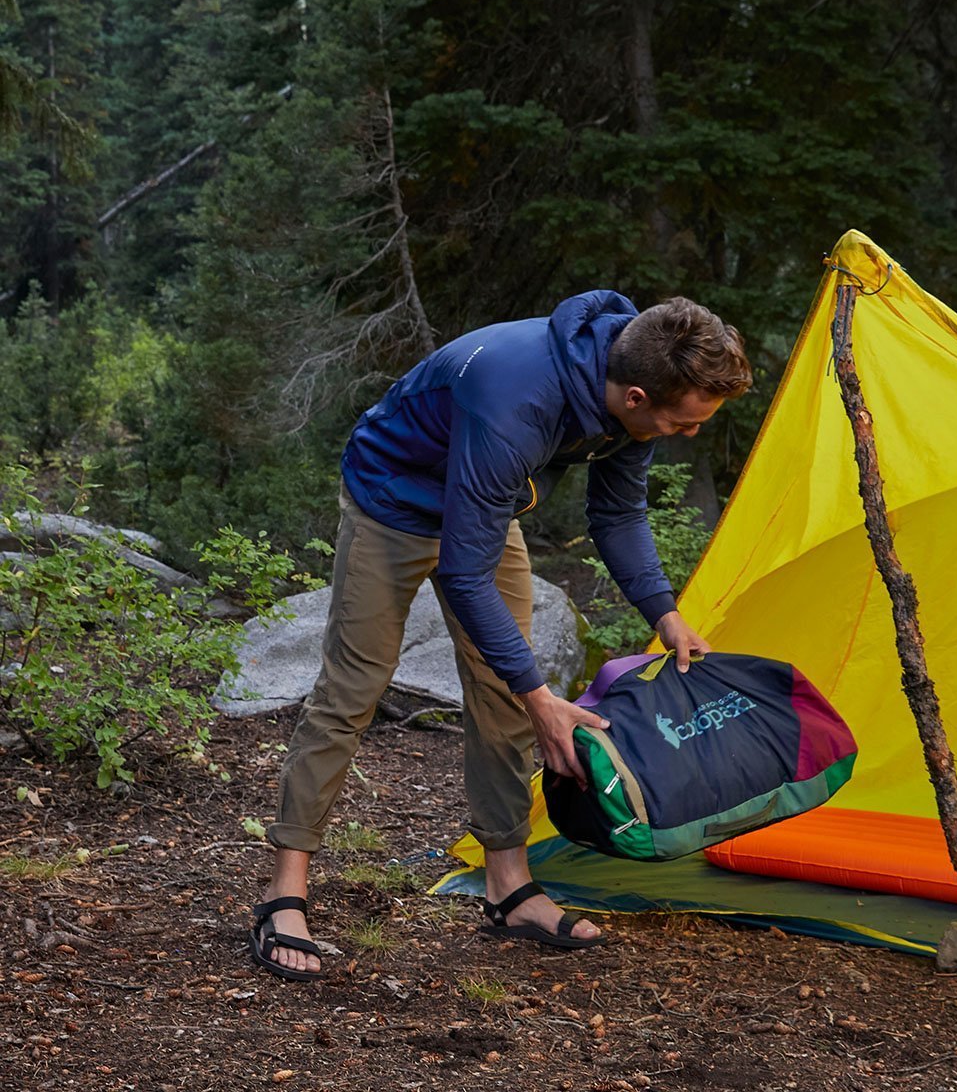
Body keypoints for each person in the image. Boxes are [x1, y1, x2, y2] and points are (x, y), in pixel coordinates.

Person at [248, 290, 752, 979]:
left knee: (504, 694)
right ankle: (284, 892)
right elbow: (464, 574)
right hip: (393, 503)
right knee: (353, 689)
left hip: (485, 509)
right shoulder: (517, 398)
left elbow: (618, 513)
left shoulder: (634, 383)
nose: (687, 433)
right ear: (636, 397)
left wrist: (664, 614)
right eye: (681, 421)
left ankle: (508, 887)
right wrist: (541, 697)